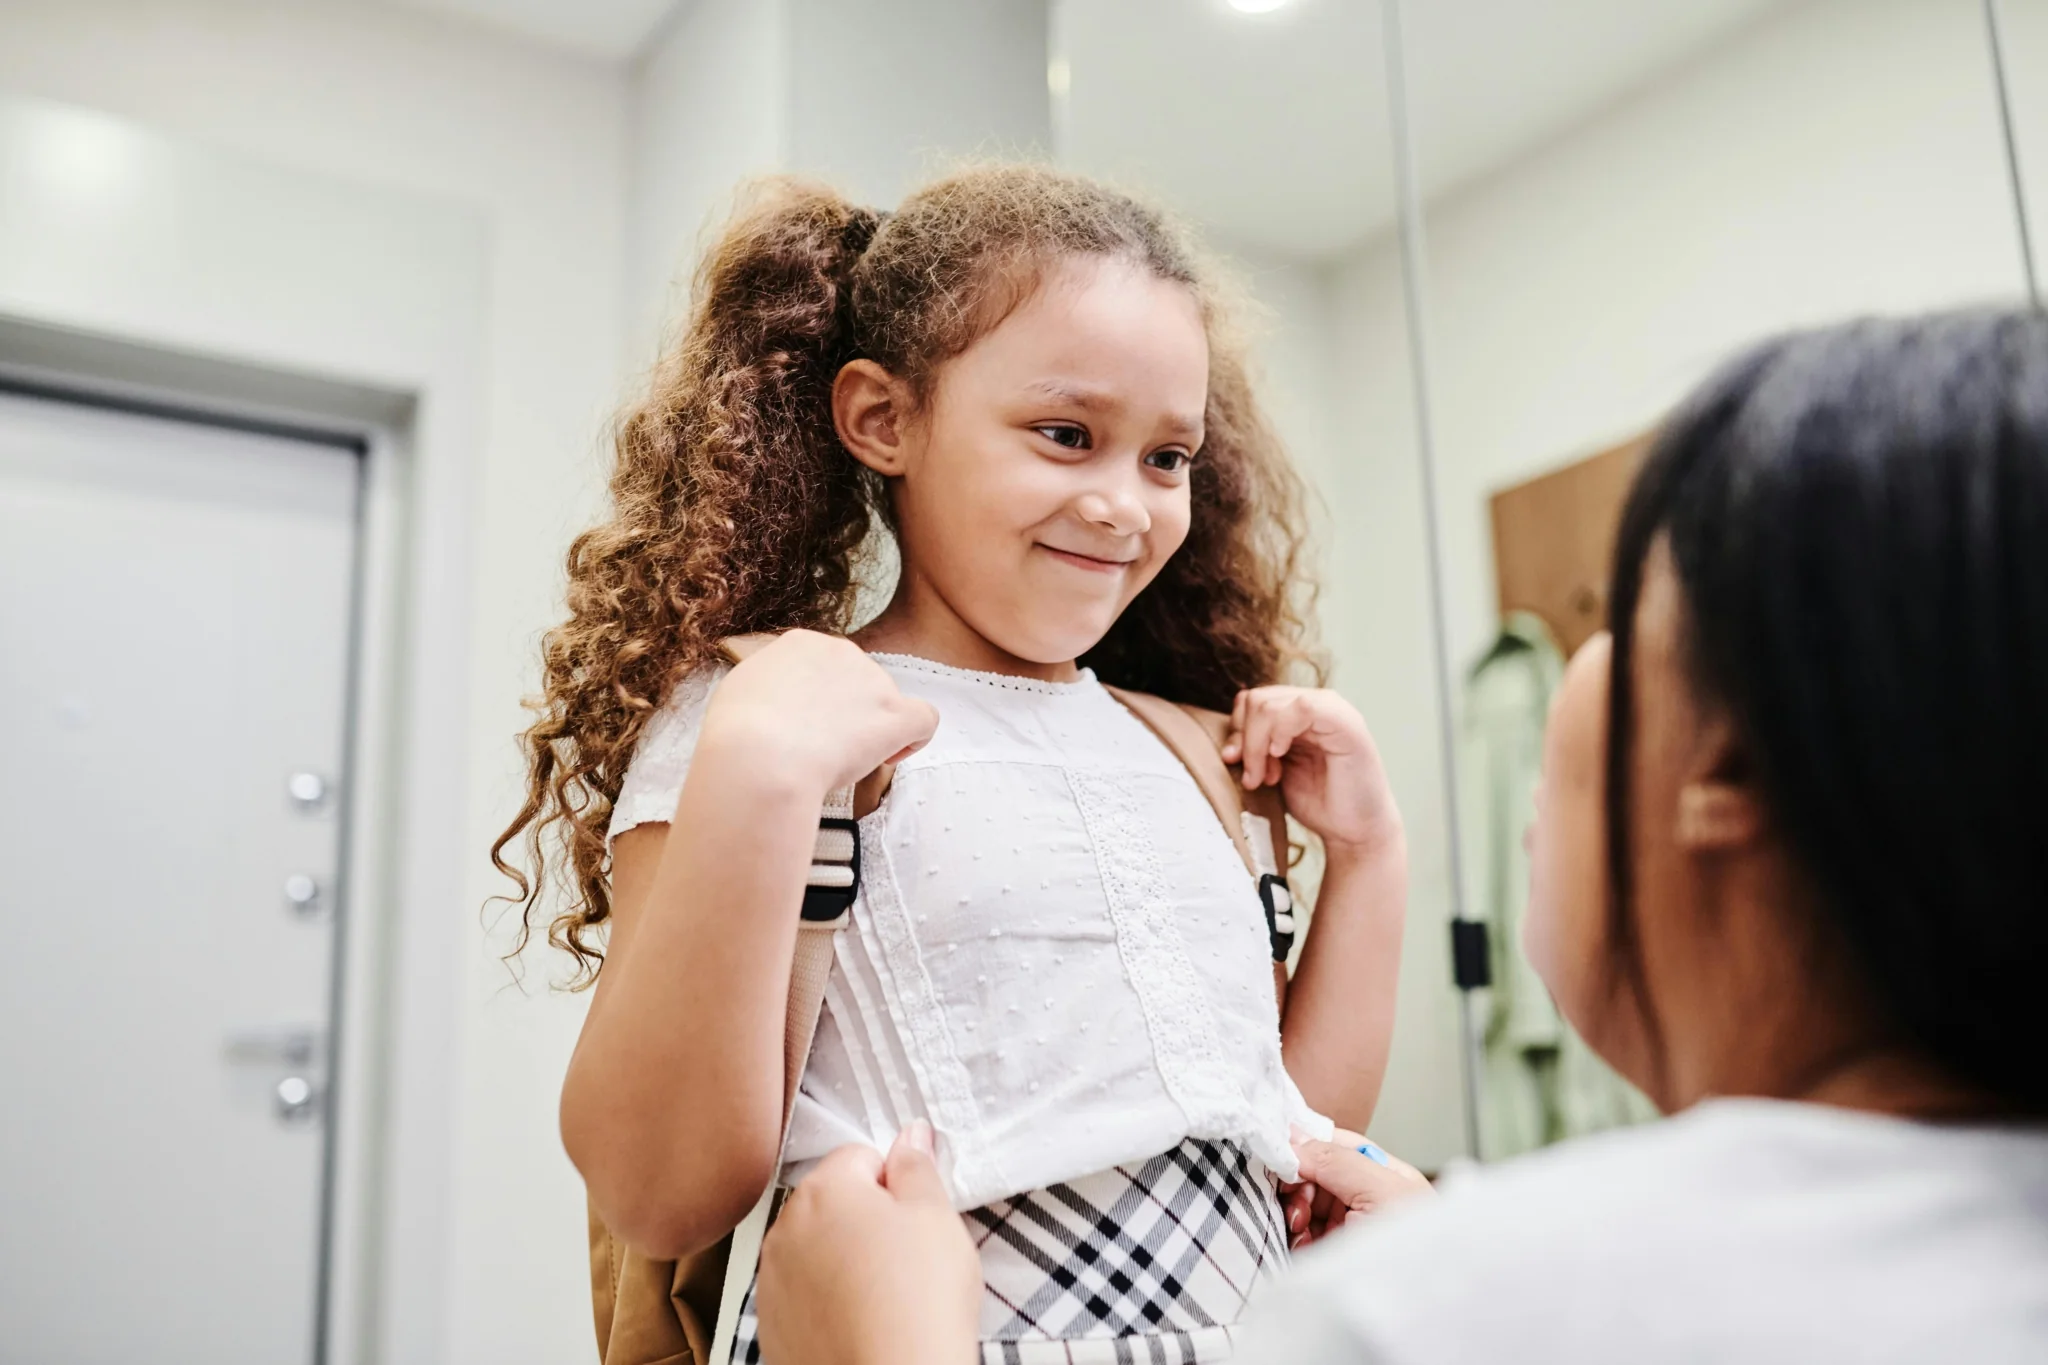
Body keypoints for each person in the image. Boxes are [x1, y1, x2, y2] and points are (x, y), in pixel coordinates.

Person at [753, 309, 2048, 1364]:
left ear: (1730, 768)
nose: (1123, 503)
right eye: (1065, 434)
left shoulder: (1446, 1313)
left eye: (1629, 614)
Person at [493, 165, 1410, 1361]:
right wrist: (757, 774)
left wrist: (1367, 856)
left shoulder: (1187, 749)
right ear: (883, 420)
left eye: (1165, 458)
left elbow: (1284, 1134)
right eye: (1066, 436)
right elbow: (654, 1192)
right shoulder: (776, 713)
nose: (1124, 506)